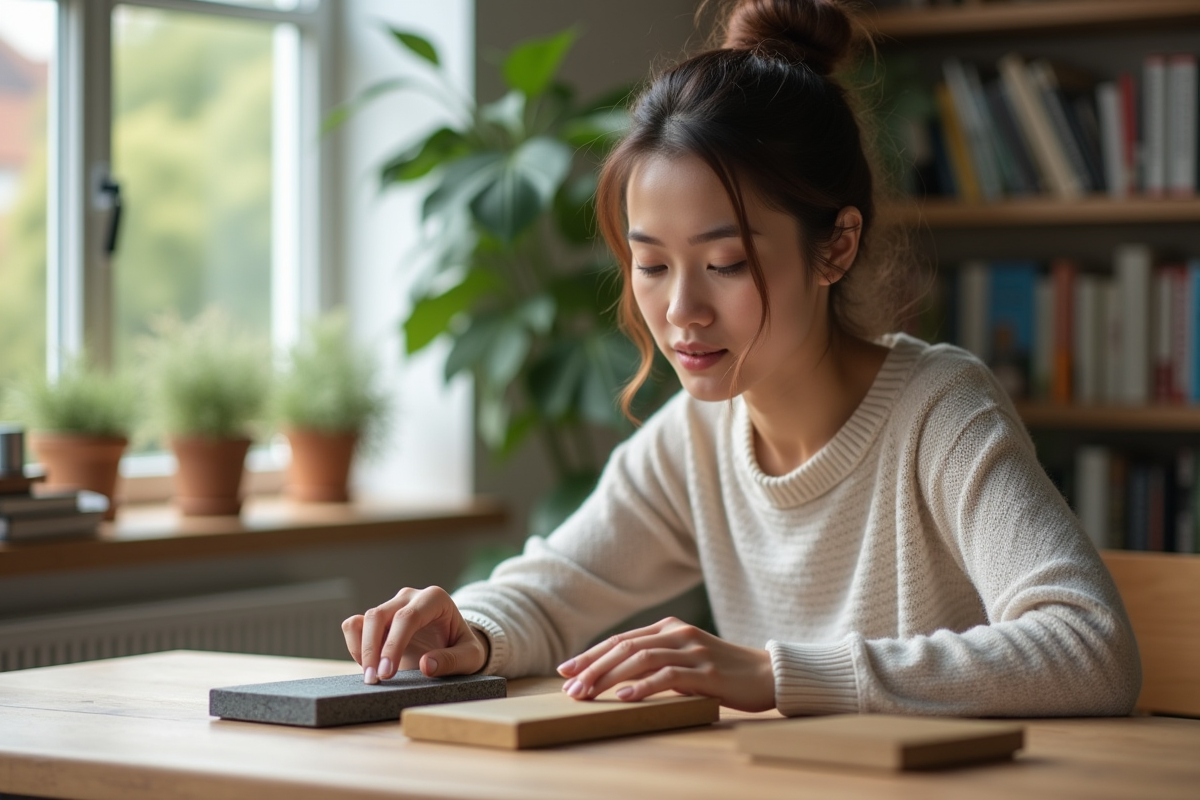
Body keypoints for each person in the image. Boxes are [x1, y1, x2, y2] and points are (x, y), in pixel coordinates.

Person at [342, 0, 1141, 717]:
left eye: (724, 264)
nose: (681, 311)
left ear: (837, 246)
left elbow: (1091, 647)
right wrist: (468, 630)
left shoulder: (939, 410)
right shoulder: (698, 435)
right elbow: (551, 595)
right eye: (651, 265)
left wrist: (775, 673)